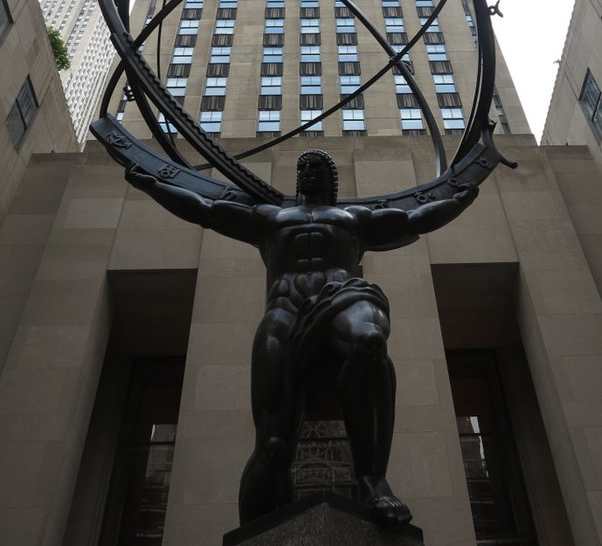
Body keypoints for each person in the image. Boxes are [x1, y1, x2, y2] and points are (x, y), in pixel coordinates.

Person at [126, 150, 477, 526]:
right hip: (284, 314)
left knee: (370, 340)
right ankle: (259, 532)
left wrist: (463, 196)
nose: (308, 172)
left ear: (331, 179)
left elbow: (415, 219)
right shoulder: (269, 217)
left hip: (341, 299)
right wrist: (152, 186)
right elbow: (204, 210)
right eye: (303, 167)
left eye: (317, 167)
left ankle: (373, 479)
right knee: (273, 445)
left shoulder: (354, 218)